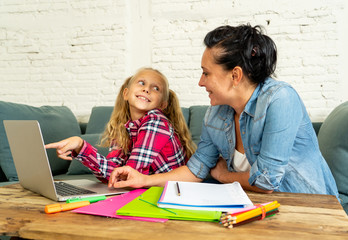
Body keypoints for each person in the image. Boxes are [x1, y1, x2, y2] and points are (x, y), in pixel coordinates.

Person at [107, 24, 339, 198]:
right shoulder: (215, 114)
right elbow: (196, 170)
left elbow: (266, 182)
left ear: (235, 75)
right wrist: (143, 180)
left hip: (306, 206)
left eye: (206, 73)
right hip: (252, 206)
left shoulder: (280, 99)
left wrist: (222, 175)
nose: (200, 82)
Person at [45, 67, 196, 183]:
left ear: (162, 104)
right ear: (126, 93)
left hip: (171, 193)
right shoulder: (124, 129)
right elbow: (111, 173)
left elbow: (130, 175)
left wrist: (83, 148)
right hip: (145, 189)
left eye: (156, 88)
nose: (146, 89)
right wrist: (79, 145)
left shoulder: (156, 122)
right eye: (141, 83)